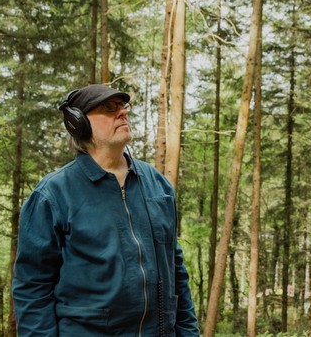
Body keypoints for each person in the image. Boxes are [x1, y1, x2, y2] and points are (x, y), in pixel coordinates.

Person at [12, 84, 200, 336]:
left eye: (123, 106)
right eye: (109, 108)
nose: (122, 113)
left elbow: (176, 269)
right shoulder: (53, 194)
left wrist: (189, 333)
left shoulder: (157, 184)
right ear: (78, 123)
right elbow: (32, 287)